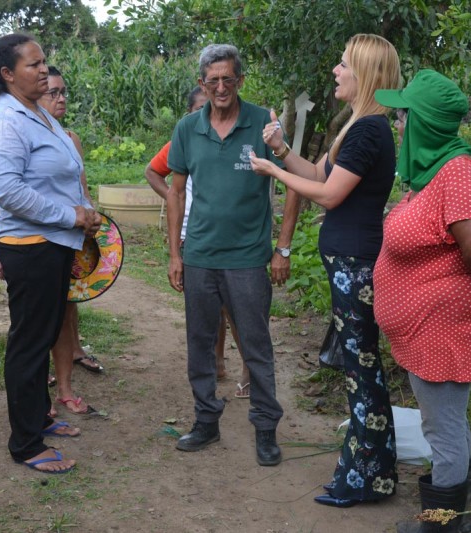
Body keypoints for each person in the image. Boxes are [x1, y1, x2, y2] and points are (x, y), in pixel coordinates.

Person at [249, 34, 400, 506]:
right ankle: (368, 471)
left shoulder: (370, 130)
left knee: (363, 369)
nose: (335, 71)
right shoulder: (357, 127)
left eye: (342, 64)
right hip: (347, 262)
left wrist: (274, 173)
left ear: (364, 74)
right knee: (358, 368)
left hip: (356, 264)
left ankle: (368, 478)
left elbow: (329, 196)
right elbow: (317, 175)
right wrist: (279, 149)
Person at [372, 69, 471, 532]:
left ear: (423, 121)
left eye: (402, 115)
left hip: (443, 329)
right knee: (447, 422)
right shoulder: (434, 172)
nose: (396, 123)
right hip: (425, 327)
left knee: (442, 430)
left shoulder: (460, 174)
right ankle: (454, 517)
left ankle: (442, 524)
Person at [166, 44, 300, 466]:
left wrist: (283, 248)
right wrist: (175, 253)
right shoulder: (188, 128)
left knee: (256, 345)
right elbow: (176, 190)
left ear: (240, 80)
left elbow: (295, 182)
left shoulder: (263, 123)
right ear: (201, 84)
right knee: (200, 343)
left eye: (228, 79)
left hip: (247, 258)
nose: (221, 87)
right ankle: (206, 420)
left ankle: (265, 428)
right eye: (213, 80)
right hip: (201, 255)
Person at [0, 33, 101, 474]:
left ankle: (39, 418)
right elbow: (8, 191)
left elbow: (58, 175)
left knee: (43, 336)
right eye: (33, 65)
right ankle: (25, 443)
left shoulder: (35, 115)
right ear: (8, 74)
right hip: (29, 249)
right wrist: (71, 215)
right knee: (29, 344)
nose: (44, 70)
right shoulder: (6, 122)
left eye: (44, 61)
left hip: (51, 246)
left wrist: (82, 213)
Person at [144, 86, 251, 398]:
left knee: (233, 308)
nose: (209, 113)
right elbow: (152, 171)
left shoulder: (238, 138)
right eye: (200, 108)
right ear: (191, 114)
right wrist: (173, 198)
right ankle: (216, 362)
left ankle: (248, 368)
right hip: (193, 235)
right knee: (208, 309)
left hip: (230, 238)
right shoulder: (185, 138)